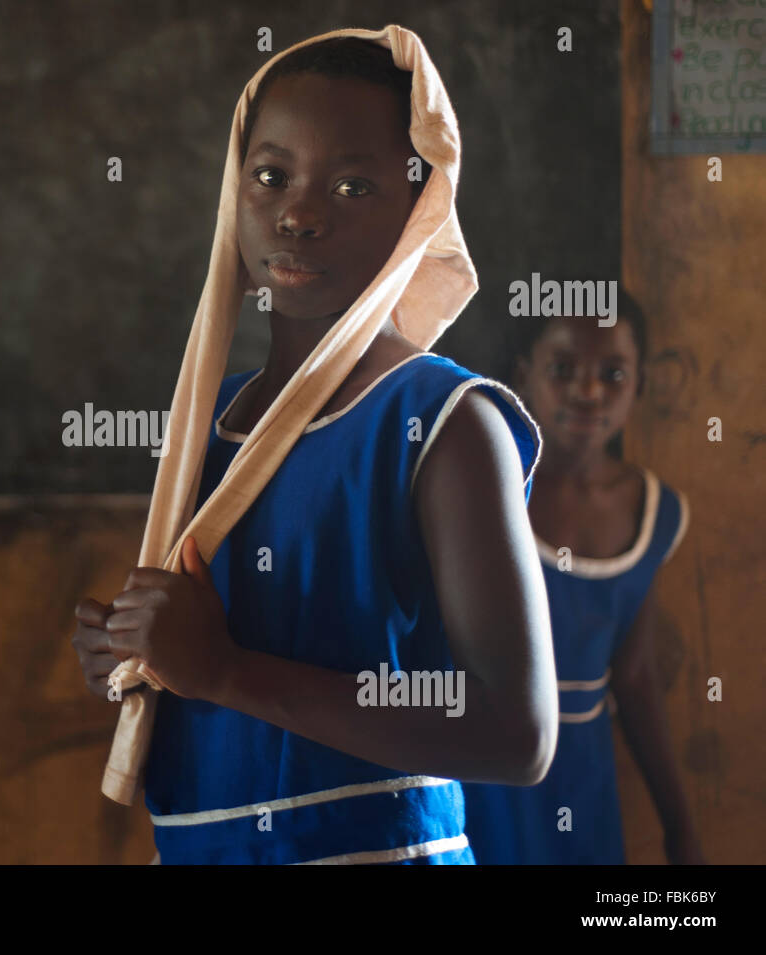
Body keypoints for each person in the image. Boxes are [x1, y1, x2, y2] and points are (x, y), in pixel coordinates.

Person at [72, 30, 558, 864]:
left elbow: (519, 734)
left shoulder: (441, 420)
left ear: (417, 212)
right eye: (271, 176)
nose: (299, 212)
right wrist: (137, 651)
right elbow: (206, 654)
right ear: (235, 189)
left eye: (353, 184)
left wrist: (224, 672)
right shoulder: (213, 419)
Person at [461, 289, 706, 864]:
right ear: (524, 373)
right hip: (483, 759)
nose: (589, 391)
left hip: (583, 772)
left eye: (613, 373)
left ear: (642, 384)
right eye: (563, 369)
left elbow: (636, 676)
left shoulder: (654, 511)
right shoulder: (480, 490)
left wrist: (679, 825)